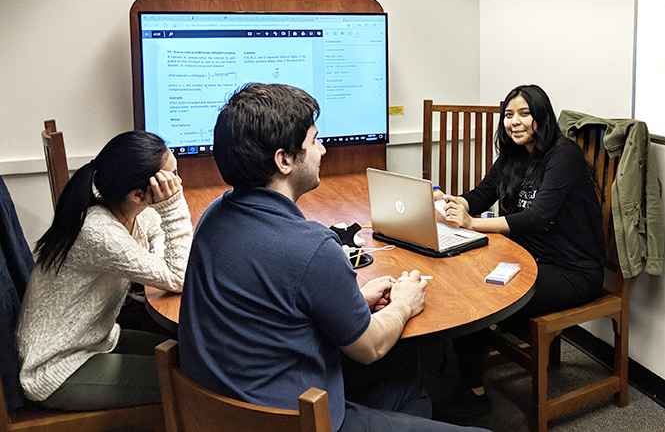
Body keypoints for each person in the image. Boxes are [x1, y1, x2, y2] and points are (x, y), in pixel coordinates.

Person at [178, 83, 488, 432]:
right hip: (295, 421)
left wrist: (351, 302)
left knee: (410, 392)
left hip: (218, 412)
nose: (322, 150)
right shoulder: (312, 248)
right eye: (315, 140)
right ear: (284, 160)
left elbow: (277, 301)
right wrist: (404, 303)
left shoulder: (214, 215)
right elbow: (369, 347)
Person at [437, 84, 604, 420]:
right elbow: (484, 192)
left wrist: (471, 224)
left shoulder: (563, 155)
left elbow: (537, 215)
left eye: (524, 113)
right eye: (509, 115)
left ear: (541, 117)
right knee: (462, 279)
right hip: (526, 260)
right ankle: (465, 374)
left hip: (573, 271)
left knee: (478, 298)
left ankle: (473, 391)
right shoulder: (513, 155)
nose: (515, 122)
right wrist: (456, 203)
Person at [16, 130, 192, 410]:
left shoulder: (128, 211)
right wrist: (172, 208)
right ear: (138, 194)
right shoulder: (99, 231)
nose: (177, 184)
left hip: (98, 340)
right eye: (169, 179)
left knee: (195, 358)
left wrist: (159, 262)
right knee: (190, 383)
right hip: (57, 369)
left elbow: (159, 236)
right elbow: (178, 276)